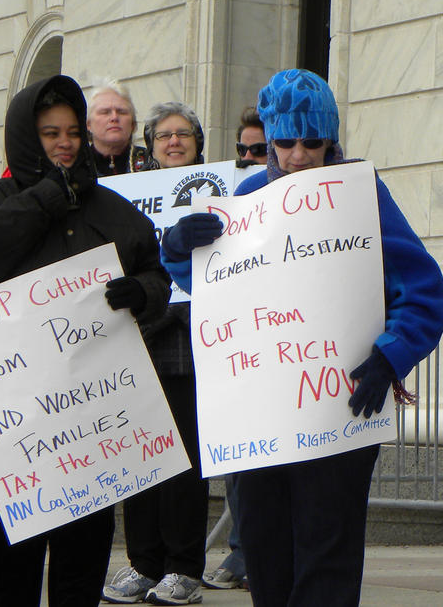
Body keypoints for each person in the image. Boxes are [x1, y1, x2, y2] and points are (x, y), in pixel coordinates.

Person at [159, 68, 443, 607]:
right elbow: (211, 288)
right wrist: (178, 248)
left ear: (330, 140)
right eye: (284, 142)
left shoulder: (362, 193)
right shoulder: (245, 196)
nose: (297, 155)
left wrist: (391, 355)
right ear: (268, 140)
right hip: (259, 413)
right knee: (265, 554)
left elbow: (422, 290)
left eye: (312, 142)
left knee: (327, 553)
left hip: (337, 406)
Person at [0, 74, 171, 607]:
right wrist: (48, 196)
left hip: (90, 428)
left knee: (80, 568)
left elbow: (157, 277)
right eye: (50, 133)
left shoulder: (112, 209)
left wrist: (140, 293)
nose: (65, 143)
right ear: (28, 137)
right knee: (8, 576)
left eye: (72, 131)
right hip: (16, 429)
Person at [101, 102, 211, 606]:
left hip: (190, 346)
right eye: (163, 135)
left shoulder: (220, 193)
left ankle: (184, 568)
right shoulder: (128, 199)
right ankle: (144, 563)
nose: (173, 142)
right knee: (139, 459)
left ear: (198, 141)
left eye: (182, 134)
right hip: (137, 345)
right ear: (149, 146)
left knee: (184, 461)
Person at [199, 106, 263, 593]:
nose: (248, 157)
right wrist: (182, 252)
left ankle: (256, 556)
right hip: (249, 354)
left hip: (299, 356)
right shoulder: (238, 199)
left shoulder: (337, 196)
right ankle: (245, 554)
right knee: (242, 469)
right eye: (241, 150)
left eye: (258, 150)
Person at [87, 78, 148, 175]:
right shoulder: (76, 165)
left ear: (133, 124)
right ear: (88, 124)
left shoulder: (150, 162)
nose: (114, 117)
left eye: (121, 112)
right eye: (105, 112)